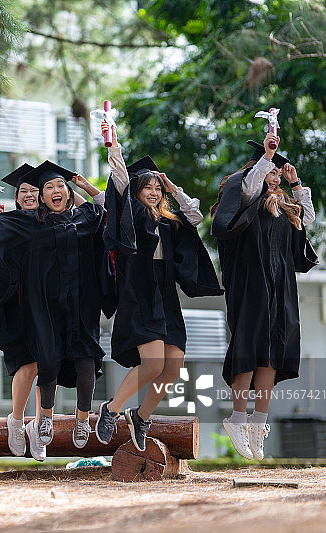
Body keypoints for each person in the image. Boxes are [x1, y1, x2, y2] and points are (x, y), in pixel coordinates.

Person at [0, 160, 114, 457]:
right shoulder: (32, 222)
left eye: (59, 187)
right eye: (48, 187)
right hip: (46, 306)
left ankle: (82, 420)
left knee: (86, 360)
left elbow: (108, 207)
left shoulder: (86, 217)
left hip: (82, 303)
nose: (55, 191)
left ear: (67, 193)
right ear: (41, 196)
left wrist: (84, 187)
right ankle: (45, 419)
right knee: (48, 359)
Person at [95, 122, 223, 452]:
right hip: (139, 295)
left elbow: (194, 216)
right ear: (136, 192)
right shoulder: (132, 215)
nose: (154, 192)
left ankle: (141, 416)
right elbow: (120, 181)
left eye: (157, 188)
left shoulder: (167, 221)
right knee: (151, 365)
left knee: (172, 368)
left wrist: (173, 187)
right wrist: (114, 146)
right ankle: (111, 410)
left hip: (166, 297)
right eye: (148, 187)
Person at [211, 133, 317, 460]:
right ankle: (238, 418)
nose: (274, 175)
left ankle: (258, 423)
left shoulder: (285, 208)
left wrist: (295, 182)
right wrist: (267, 158)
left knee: (272, 351)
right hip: (251, 285)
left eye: (276, 172)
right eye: (269, 170)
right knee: (248, 345)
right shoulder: (245, 198)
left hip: (280, 286)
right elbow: (251, 183)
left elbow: (309, 217)